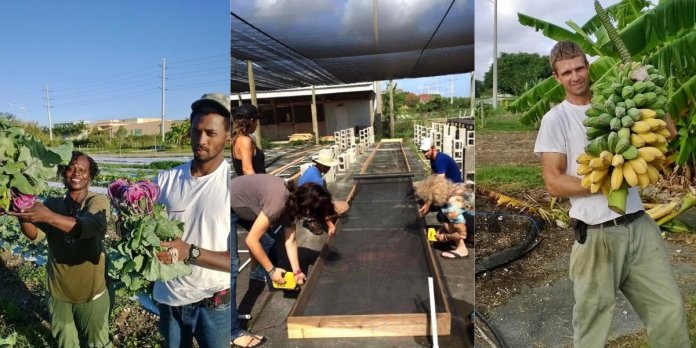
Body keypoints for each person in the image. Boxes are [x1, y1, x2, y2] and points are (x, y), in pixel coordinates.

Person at [534, 41, 687, 347]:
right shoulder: (556, 120)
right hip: (596, 235)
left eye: (580, 68)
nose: (576, 76)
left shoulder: (613, 102)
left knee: (669, 310)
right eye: (567, 72)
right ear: (557, 77)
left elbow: (668, 133)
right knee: (593, 326)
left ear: (588, 67)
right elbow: (553, 183)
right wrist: (605, 182)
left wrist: (643, 83)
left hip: (640, 226)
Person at [151, 93, 260, 348]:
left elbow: (231, 261)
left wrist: (188, 251)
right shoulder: (165, 180)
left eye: (210, 133)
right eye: (195, 131)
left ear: (227, 135)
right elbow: (141, 230)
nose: (201, 140)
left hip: (214, 305)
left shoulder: (231, 185)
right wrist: (129, 220)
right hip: (170, 300)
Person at [11, 151, 112, 348]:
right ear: (63, 172)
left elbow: (89, 227)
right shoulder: (52, 204)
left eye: (83, 170)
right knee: (66, 342)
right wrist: (23, 215)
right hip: (58, 291)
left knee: (99, 342)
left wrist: (47, 216)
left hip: (93, 291)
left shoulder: (97, 201)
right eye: (71, 168)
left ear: (90, 176)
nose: (76, 173)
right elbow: (35, 235)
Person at [230, 174, 337, 290]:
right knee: (232, 263)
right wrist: (272, 271)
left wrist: (297, 272)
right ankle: (224, 306)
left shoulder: (294, 202)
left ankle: (256, 274)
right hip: (226, 202)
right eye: (313, 216)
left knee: (269, 244)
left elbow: (290, 240)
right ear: (307, 209)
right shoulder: (277, 204)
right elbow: (251, 240)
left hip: (248, 205)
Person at [297, 148, 349, 235]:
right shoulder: (318, 181)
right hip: (309, 207)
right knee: (344, 206)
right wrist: (330, 225)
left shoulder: (311, 170)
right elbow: (322, 204)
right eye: (327, 166)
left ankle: (311, 217)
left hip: (301, 205)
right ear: (321, 165)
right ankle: (313, 220)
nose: (328, 168)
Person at [418, 136, 463, 215]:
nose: (425, 154)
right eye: (423, 151)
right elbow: (433, 178)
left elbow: (438, 184)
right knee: (420, 189)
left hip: (455, 188)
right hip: (447, 185)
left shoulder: (440, 160)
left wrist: (428, 203)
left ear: (433, 148)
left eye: (427, 151)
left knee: (436, 210)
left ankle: (442, 209)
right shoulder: (433, 159)